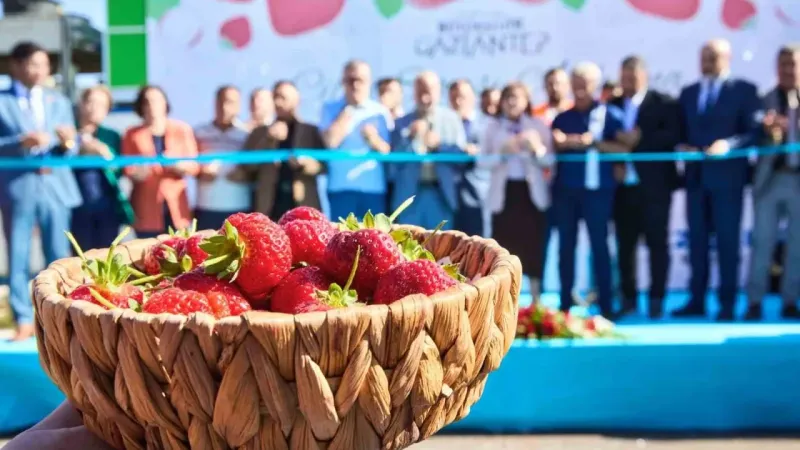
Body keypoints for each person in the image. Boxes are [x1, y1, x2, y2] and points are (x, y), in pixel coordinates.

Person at [674, 39, 761, 321]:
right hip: (696, 180)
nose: (708, 62)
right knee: (697, 242)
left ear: (728, 58)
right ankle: (696, 299)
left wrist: (728, 145)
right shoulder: (688, 93)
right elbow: (678, 131)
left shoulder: (744, 91)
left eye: (713, 57)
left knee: (727, 243)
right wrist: (682, 146)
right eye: (704, 57)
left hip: (728, 180)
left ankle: (727, 303)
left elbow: (753, 132)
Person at [0, 41, 81, 341]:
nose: (41, 70)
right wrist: (20, 143)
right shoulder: (2, 101)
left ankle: (59, 319)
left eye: (45, 64)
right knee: (18, 255)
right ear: (17, 66)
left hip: (54, 187)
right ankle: (23, 318)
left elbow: (70, 152)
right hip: (19, 186)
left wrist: (67, 143)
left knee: (58, 256)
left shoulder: (58, 101)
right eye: (34, 64)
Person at [551, 62, 628, 317]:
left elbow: (624, 148)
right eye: (576, 82)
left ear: (596, 85)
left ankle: (606, 307)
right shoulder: (563, 117)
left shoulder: (611, 115)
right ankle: (565, 307)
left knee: (600, 248)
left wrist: (594, 143)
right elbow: (555, 144)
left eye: (586, 82)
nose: (580, 88)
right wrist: (568, 143)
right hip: (566, 193)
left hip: (598, 193)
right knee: (566, 248)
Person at [608, 56, 681, 320]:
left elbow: (674, 136)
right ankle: (628, 298)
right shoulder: (612, 104)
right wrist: (616, 159)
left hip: (655, 188)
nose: (628, 83)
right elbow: (604, 139)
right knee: (625, 246)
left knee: (657, 244)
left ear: (644, 76)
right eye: (624, 77)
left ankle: (656, 299)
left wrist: (640, 140)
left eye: (633, 77)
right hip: (623, 188)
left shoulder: (664, 103)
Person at [480, 82, 555, 300]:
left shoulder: (537, 126)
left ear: (526, 101)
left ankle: (535, 304)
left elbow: (550, 160)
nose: (512, 102)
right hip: (504, 196)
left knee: (533, 247)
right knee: (503, 250)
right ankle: (504, 302)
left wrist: (536, 149)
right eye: (508, 97)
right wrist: (502, 153)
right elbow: (481, 161)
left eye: (517, 97)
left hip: (531, 195)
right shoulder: (492, 127)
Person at [747, 44, 800, 321]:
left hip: (798, 182)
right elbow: (750, 132)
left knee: (797, 245)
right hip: (770, 181)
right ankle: (755, 302)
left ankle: (790, 300)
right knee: (762, 242)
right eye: (783, 65)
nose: (788, 70)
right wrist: (767, 131)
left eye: (793, 64)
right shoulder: (764, 99)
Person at [390, 71, 467, 229]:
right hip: (409, 196)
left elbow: (461, 159)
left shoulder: (452, 120)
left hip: (441, 194)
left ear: (438, 91)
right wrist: (409, 138)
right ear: (414, 93)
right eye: (421, 90)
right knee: (407, 248)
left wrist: (440, 145)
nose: (425, 96)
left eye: (429, 89)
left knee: (440, 248)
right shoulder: (401, 123)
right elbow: (392, 164)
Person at [241, 80, 326, 220]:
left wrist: (305, 164)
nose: (278, 102)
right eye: (275, 97)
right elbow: (248, 166)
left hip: (302, 204)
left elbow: (323, 166)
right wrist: (268, 139)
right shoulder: (260, 132)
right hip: (270, 205)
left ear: (296, 100)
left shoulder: (310, 131)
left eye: (283, 98)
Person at [122, 85, 199, 238]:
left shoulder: (182, 130)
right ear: (141, 106)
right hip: (146, 207)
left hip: (176, 207)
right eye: (147, 102)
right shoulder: (132, 134)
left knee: (179, 254)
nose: (152, 106)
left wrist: (176, 165)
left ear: (165, 103)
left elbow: (194, 166)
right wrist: (140, 171)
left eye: (156, 100)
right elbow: (127, 169)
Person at [319, 60, 392, 219]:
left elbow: (387, 151)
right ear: (343, 82)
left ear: (369, 82)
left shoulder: (379, 111)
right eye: (351, 80)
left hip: (373, 187)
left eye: (361, 80)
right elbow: (330, 142)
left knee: (374, 238)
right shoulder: (330, 108)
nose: (355, 85)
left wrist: (373, 140)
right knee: (342, 239)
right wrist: (345, 115)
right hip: (340, 187)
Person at [70, 85, 133, 250]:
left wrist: (101, 150)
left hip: (107, 205)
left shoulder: (111, 136)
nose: (95, 109)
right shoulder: (68, 132)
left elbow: (119, 169)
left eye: (102, 105)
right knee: (79, 259)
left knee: (108, 254)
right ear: (82, 104)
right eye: (92, 102)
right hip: (75, 207)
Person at [193, 85, 251, 230]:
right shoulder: (198, 132)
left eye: (230, 102)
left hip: (239, 207)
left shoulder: (247, 134)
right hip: (206, 207)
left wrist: (245, 174)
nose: (225, 107)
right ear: (215, 103)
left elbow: (256, 169)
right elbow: (189, 164)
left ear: (239, 106)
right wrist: (199, 173)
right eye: (221, 101)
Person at [449, 79, 488, 236]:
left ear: (473, 98)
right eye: (454, 97)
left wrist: (477, 151)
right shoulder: (445, 123)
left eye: (463, 96)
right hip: (449, 197)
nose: (458, 102)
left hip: (478, 196)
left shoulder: (486, 124)